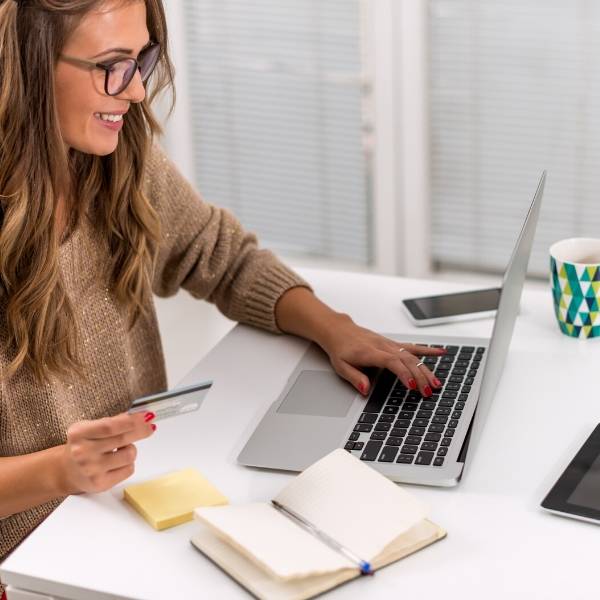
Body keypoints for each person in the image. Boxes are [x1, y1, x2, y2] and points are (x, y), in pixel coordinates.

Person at [0, 0, 445, 596]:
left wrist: (334, 328)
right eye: (112, 65)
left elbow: (221, 254)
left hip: (130, 506)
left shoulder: (113, 164)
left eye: (141, 60)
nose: (134, 93)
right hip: (36, 560)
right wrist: (57, 470)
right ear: (23, 69)